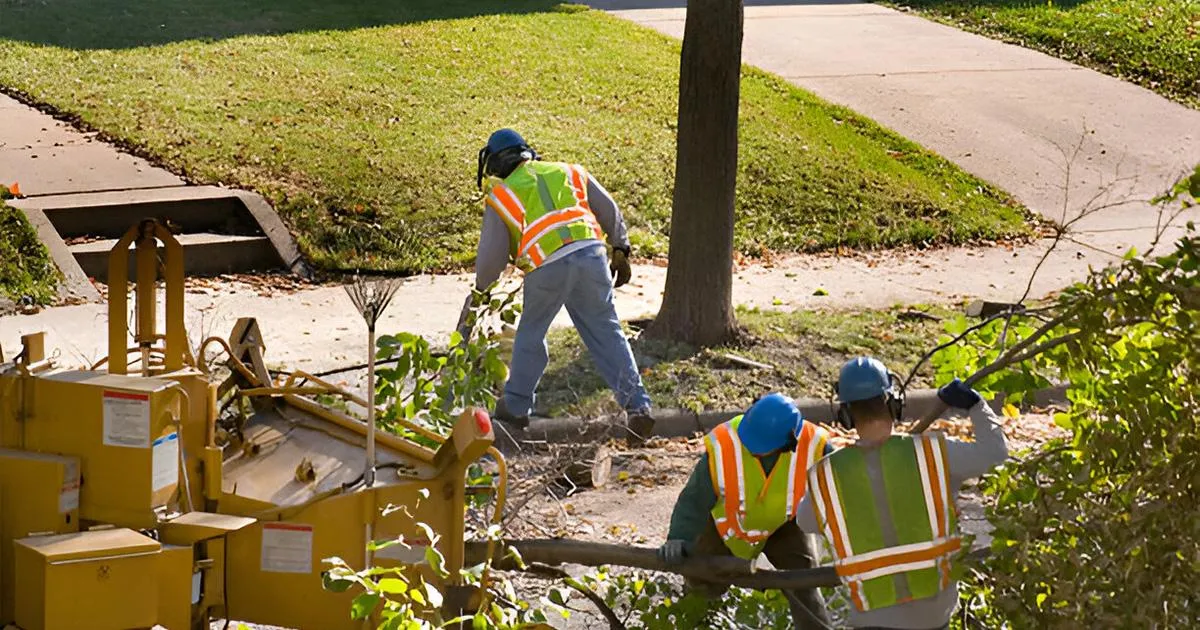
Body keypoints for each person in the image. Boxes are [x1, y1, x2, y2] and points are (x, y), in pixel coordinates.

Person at [459, 128, 654, 440]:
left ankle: (517, 407)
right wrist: (620, 247)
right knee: (607, 331)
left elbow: (490, 262)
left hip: (547, 268)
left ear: (494, 165)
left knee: (532, 334)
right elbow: (608, 208)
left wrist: (482, 290)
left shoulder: (502, 196)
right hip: (592, 257)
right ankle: (639, 406)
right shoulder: (568, 171)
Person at [796, 357, 1009, 630]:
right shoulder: (933, 453)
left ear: (845, 414)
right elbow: (995, 455)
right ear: (895, 403)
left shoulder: (826, 475)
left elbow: (806, 522)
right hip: (934, 613)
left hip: (872, 617)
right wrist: (976, 406)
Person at [657, 393, 835, 629]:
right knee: (701, 580)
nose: (752, 450)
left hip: (785, 524)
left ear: (789, 443)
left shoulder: (816, 447)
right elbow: (693, 500)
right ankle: (693, 622)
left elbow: (841, 491)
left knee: (804, 582)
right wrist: (678, 538)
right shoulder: (724, 445)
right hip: (726, 527)